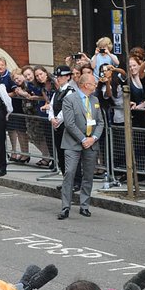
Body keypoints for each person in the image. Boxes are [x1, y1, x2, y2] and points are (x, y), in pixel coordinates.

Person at [58, 70, 103, 219]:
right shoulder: (69, 99)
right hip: (73, 143)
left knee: (88, 175)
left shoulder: (95, 100)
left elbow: (100, 122)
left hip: (91, 143)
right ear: (85, 85)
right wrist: (83, 139)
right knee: (69, 173)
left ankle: (85, 205)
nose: (95, 85)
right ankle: (65, 206)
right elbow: (69, 124)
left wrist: (94, 138)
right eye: (93, 83)